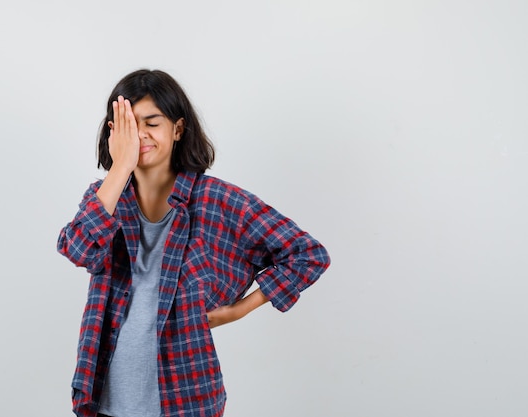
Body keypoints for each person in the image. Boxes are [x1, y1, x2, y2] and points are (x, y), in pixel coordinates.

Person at [57, 69, 330, 417]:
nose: (140, 135)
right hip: (104, 395)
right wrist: (119, 168)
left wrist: (239, 310)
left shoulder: (217, 200)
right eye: (127, 125)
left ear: (178, 129)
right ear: (114, 133)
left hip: (185, 396)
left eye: (151, 122)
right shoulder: (103, 198)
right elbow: (77, 249)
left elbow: (308, 254)